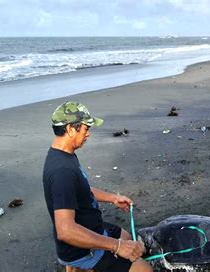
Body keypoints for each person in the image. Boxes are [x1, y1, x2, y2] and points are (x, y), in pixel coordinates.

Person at [42, 101, 152, 271]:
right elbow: (65, 230)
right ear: (71, 129)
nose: (88, 134)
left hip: (93, 226)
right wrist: (116, 246)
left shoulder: (65, 155)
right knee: (145, 269)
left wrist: (113, 198)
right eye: (86, 129)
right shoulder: (62, 171)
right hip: (81, 250)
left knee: (127, 236)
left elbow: (81, 189)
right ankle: (82, 266)